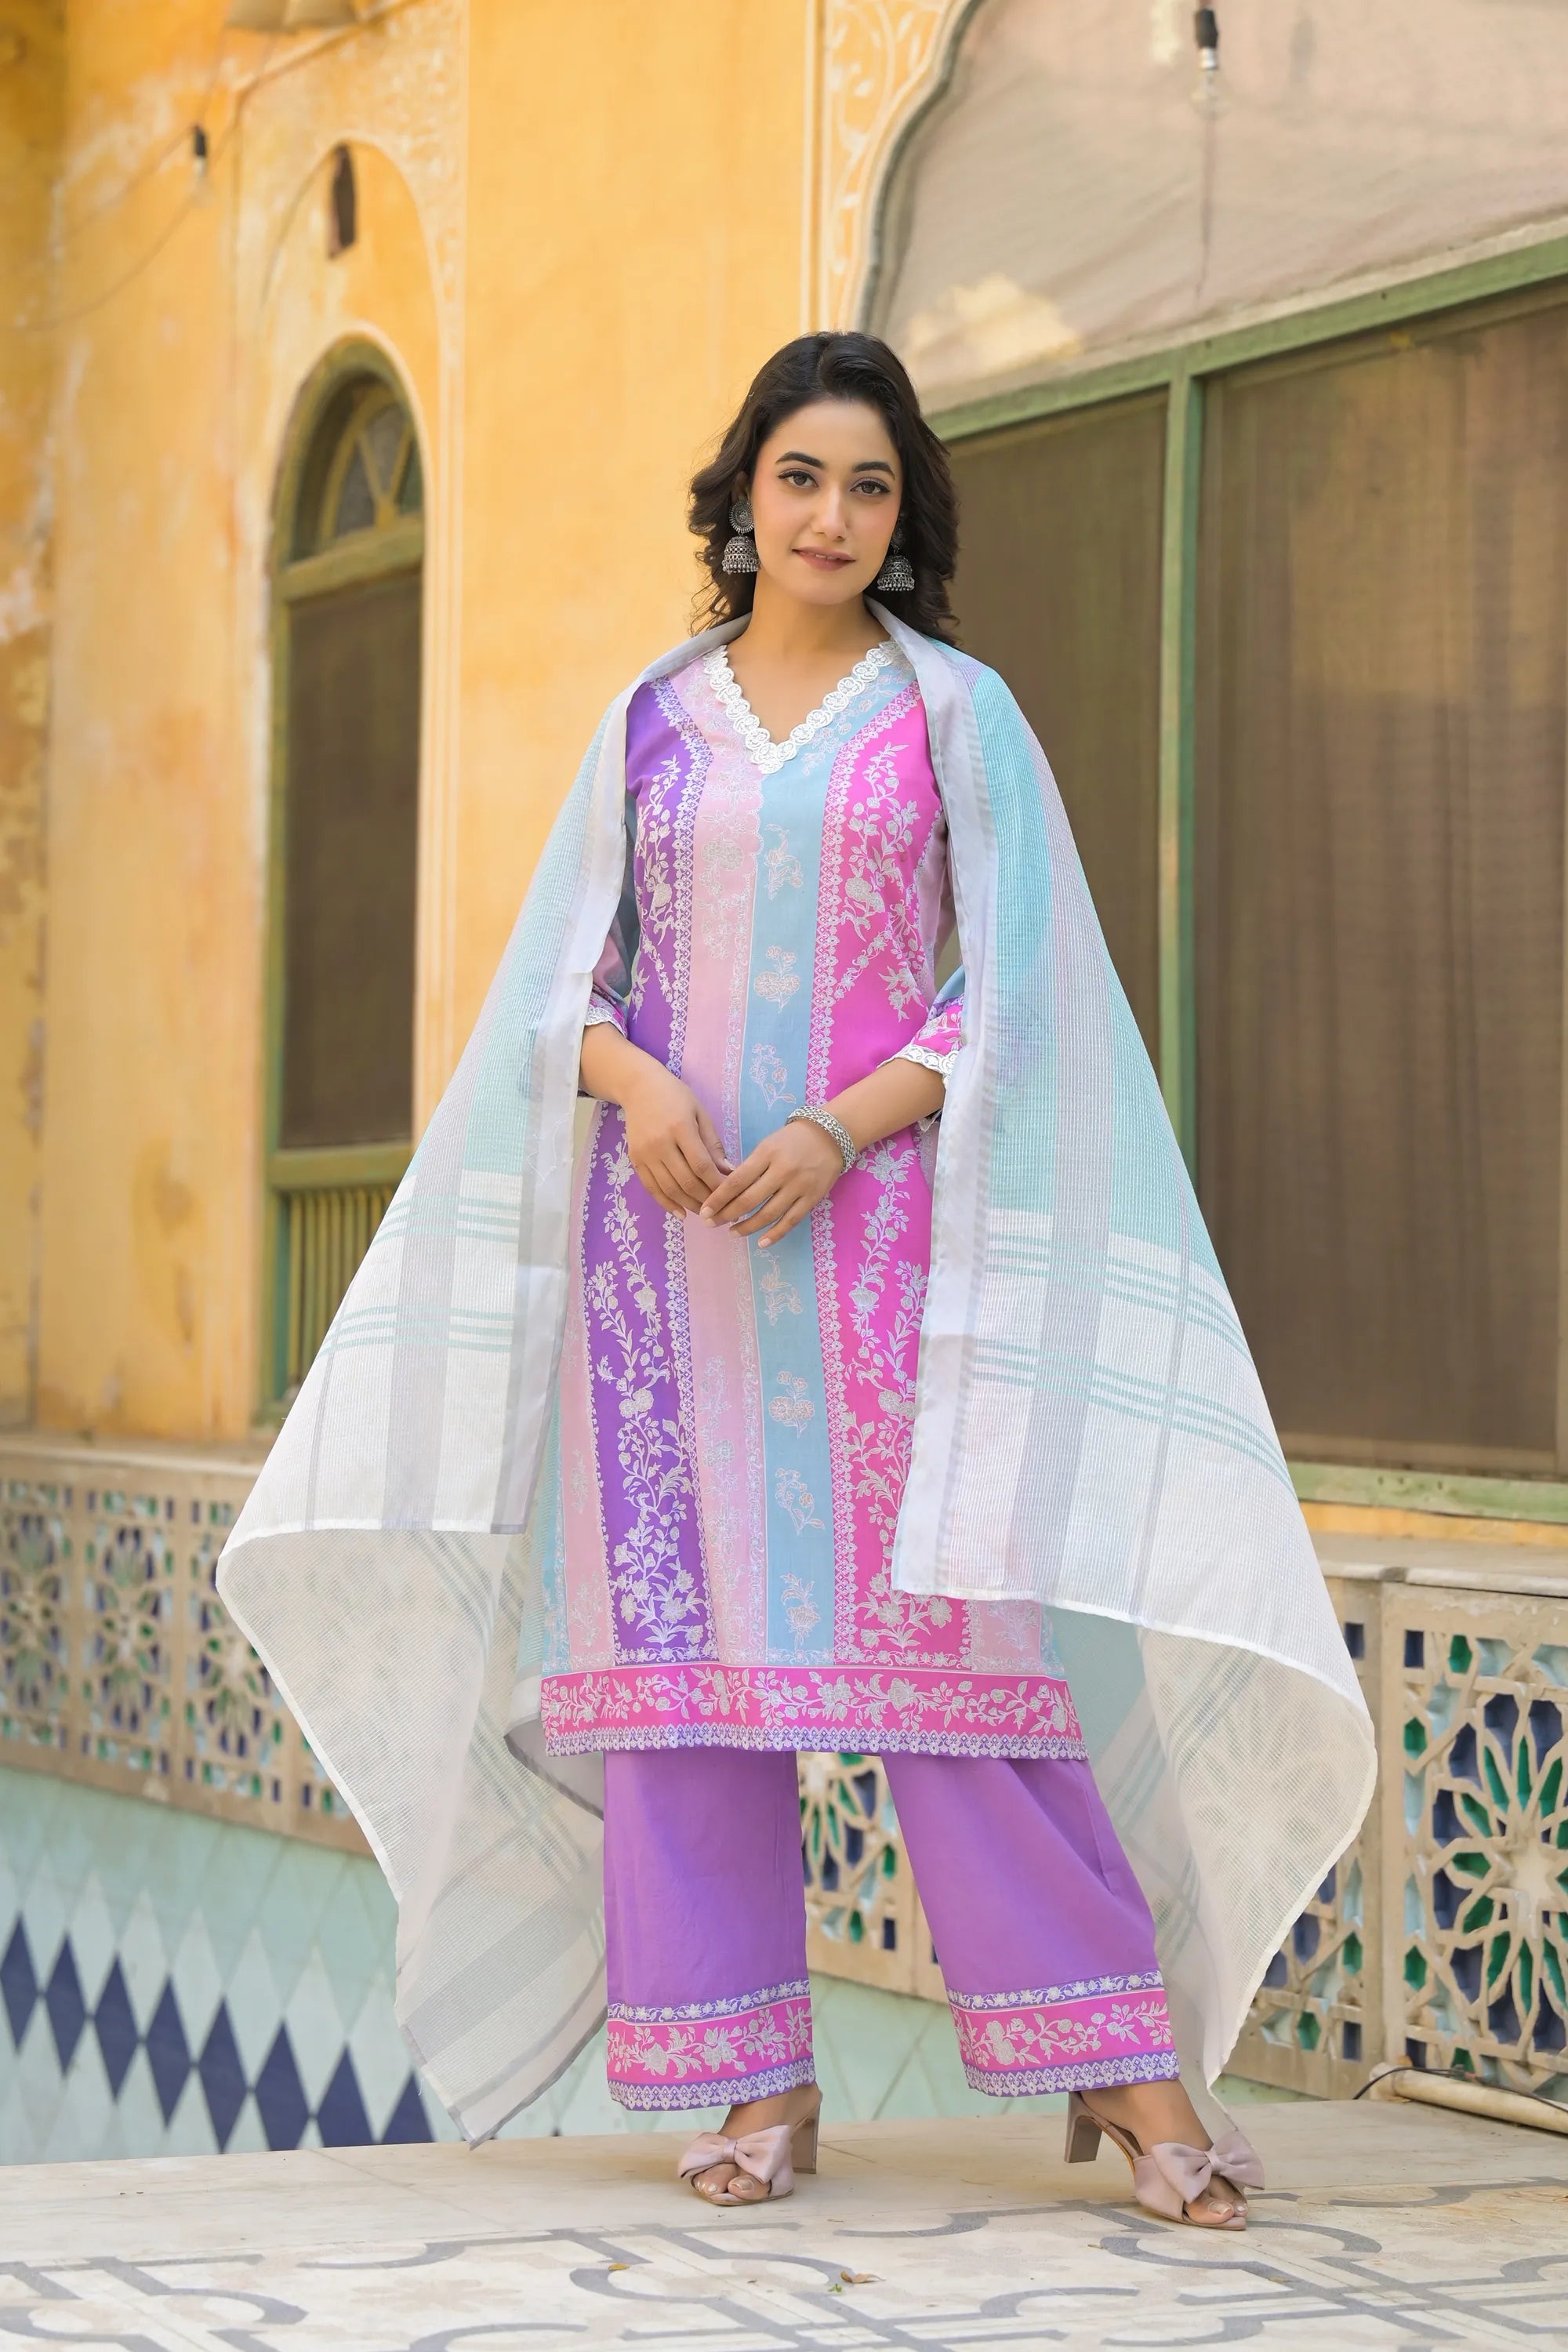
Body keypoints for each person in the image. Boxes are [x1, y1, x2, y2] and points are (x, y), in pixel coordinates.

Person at [218, 334, 1373, 2234]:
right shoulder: (649, 724)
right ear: (744, 498)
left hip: (887, 1261)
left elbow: (1021, 991)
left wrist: (840, 1128)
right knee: (682, 1684)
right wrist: (639, 1084)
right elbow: (555, 989)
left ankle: (1124, 2071)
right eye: (801, 477)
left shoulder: (954, 716)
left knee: (953, 1675)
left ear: (900, 521)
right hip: (667, 1269)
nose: (832, 515)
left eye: (869, 487)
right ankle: (756, 2077)